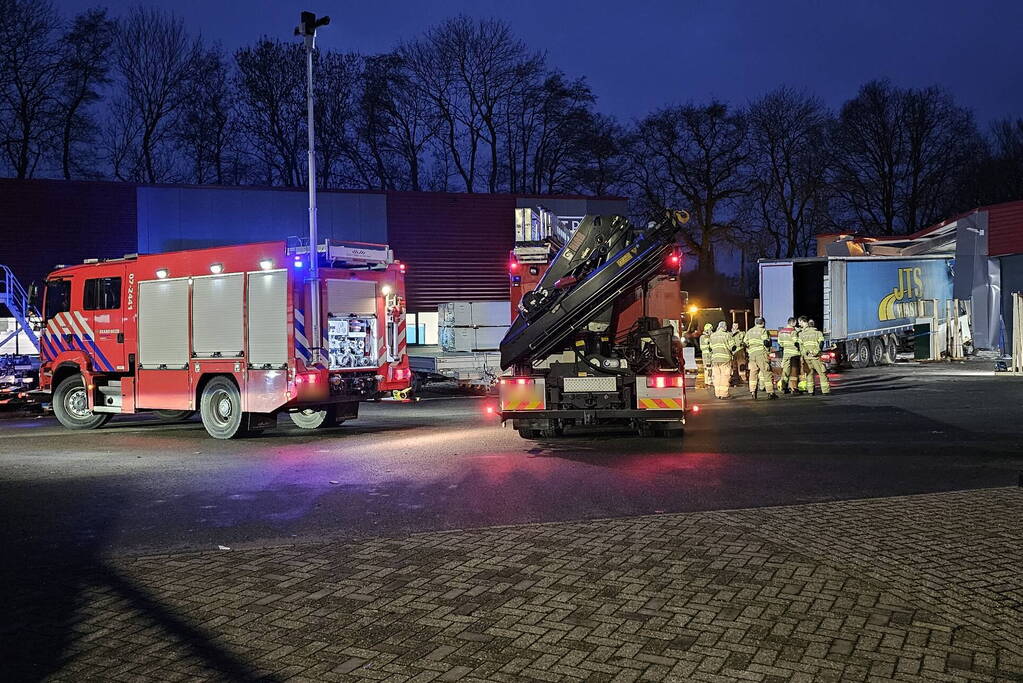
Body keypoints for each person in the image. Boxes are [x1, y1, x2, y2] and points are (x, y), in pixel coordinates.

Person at [744, 317, 777, 400]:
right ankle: (770, 392)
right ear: (763, 323)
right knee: (767, 372)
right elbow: (766, 342)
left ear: (755, 323)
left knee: (753, 373)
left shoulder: (749, 331)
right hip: (761, 354)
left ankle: (753, 392)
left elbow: (745, 343)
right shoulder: (763, 331)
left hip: (752, 355)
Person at [799, 318, 830, 395]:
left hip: (806, 358)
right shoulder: (818, 333)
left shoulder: (801, 334)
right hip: (815, 357)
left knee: (809, 374)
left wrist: (805, 353)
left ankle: (811, 391)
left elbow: (800, 346)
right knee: (822, 373)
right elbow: (821, 344)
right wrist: (815, 352)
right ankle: (825, 391)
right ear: (814, 325)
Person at [708, 321, 736, 399]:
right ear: (725, 327)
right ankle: (724, 394)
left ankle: (717, 393)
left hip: (715, 359)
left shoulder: (712, 336)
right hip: (725, 359)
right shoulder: (727, 335)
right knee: (725, 376)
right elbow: (732, 347)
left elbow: (710, 348)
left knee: (717, 376)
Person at [777, 317, 802, 394]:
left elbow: (780, 343)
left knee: (785, 370)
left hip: (786, 353)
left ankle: (783, 387)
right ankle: (793, 388)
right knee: (794, 371)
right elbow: (796, 341)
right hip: (794, 353)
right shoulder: (793, 331)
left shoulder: (781, 331)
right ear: (793, 323)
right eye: (795, 323)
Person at [699, 322, 714, 391]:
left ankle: (709, 381)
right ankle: (708, 381)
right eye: (710, 329)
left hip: (710, 355)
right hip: (707, 355)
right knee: (708, 368)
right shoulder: (703, 337)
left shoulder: (711, 336)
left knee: (710, 368)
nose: (711, 331)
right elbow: (703, 347)